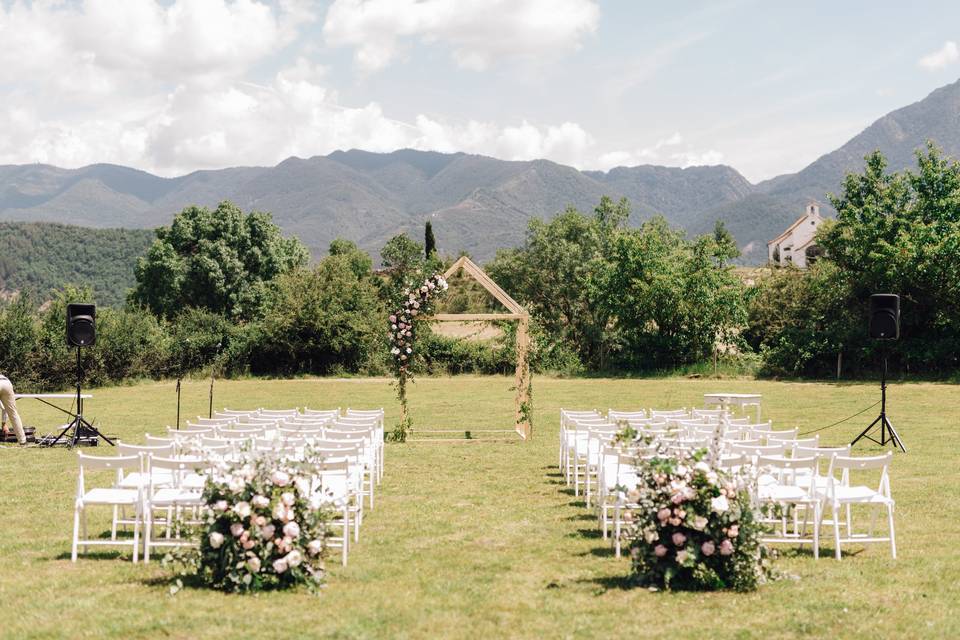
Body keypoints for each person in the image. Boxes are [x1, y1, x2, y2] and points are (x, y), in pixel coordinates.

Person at [0, 374, 26, 445]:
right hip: (6, 382)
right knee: (14, 414)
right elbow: (4, 407)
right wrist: (4, 423)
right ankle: (22, 441)